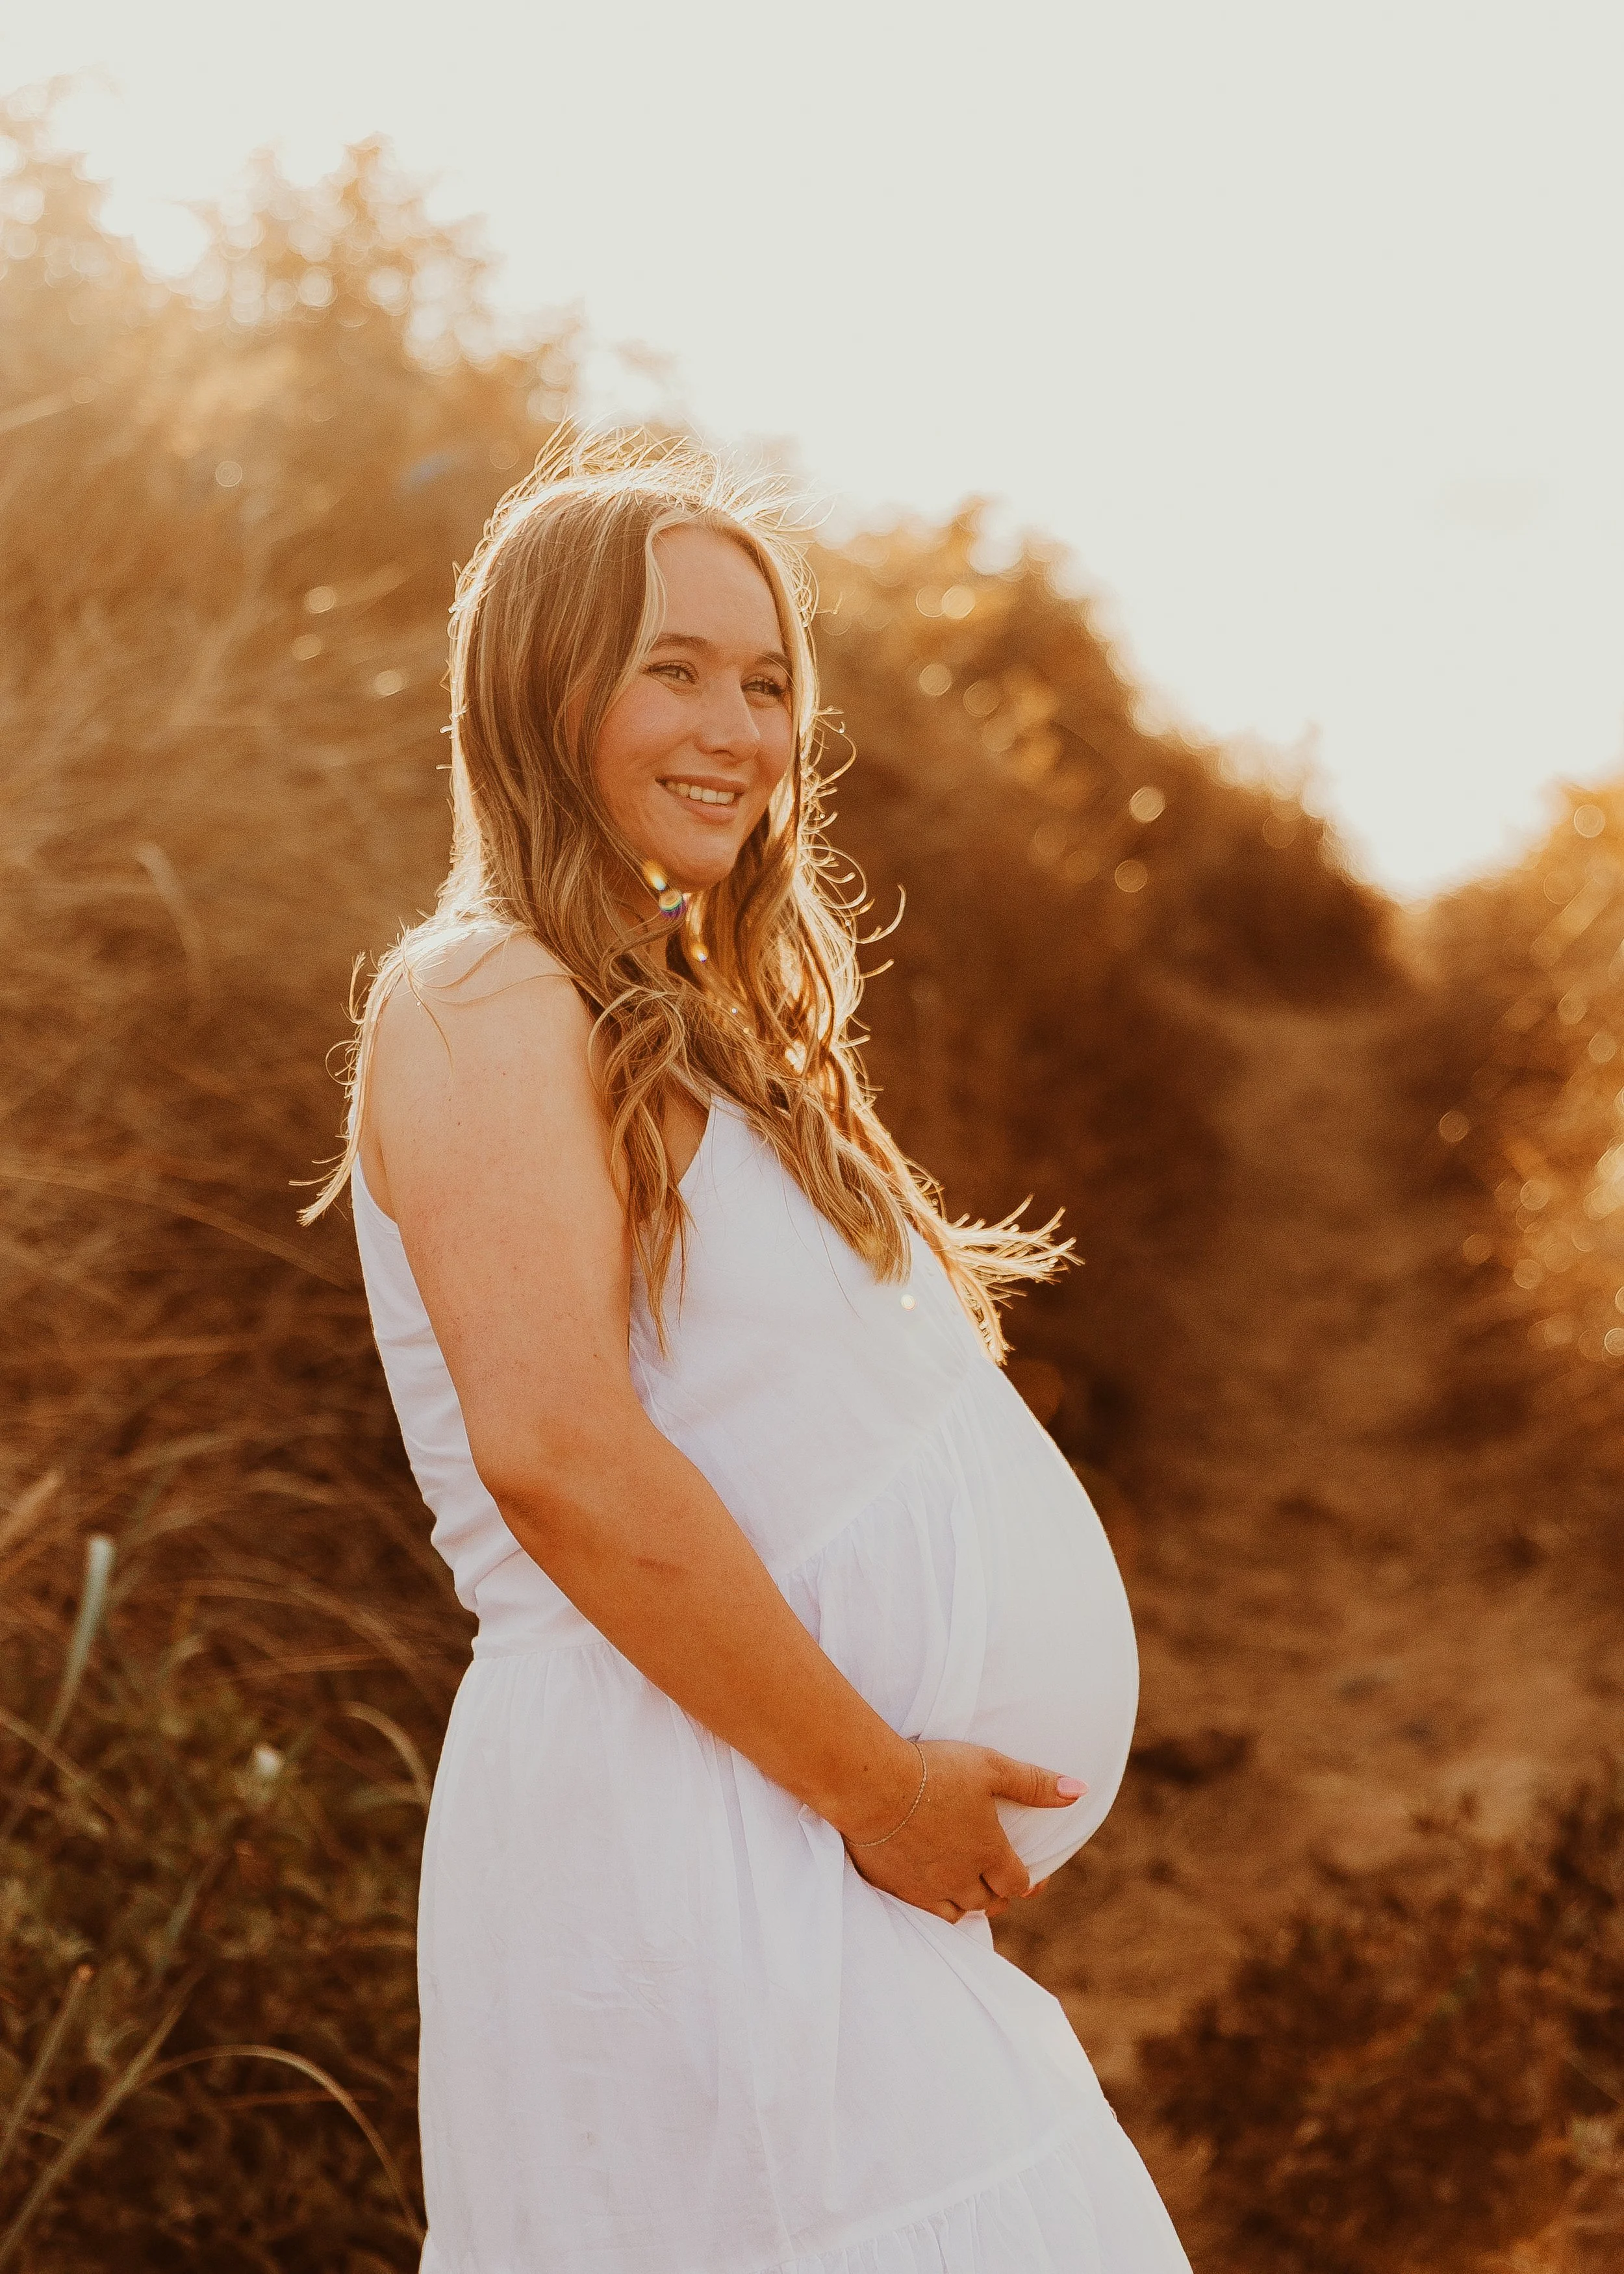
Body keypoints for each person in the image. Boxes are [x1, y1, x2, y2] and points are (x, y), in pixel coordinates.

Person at [308, 434, 1190, 2272]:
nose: (737, 724)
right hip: (679, 1816)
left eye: (769, 678)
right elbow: (554, 1450)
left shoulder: (680, 1017)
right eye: (674, 667)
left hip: (785, 1811)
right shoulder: (479, 993)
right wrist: (878, 1786)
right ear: (543, 691)